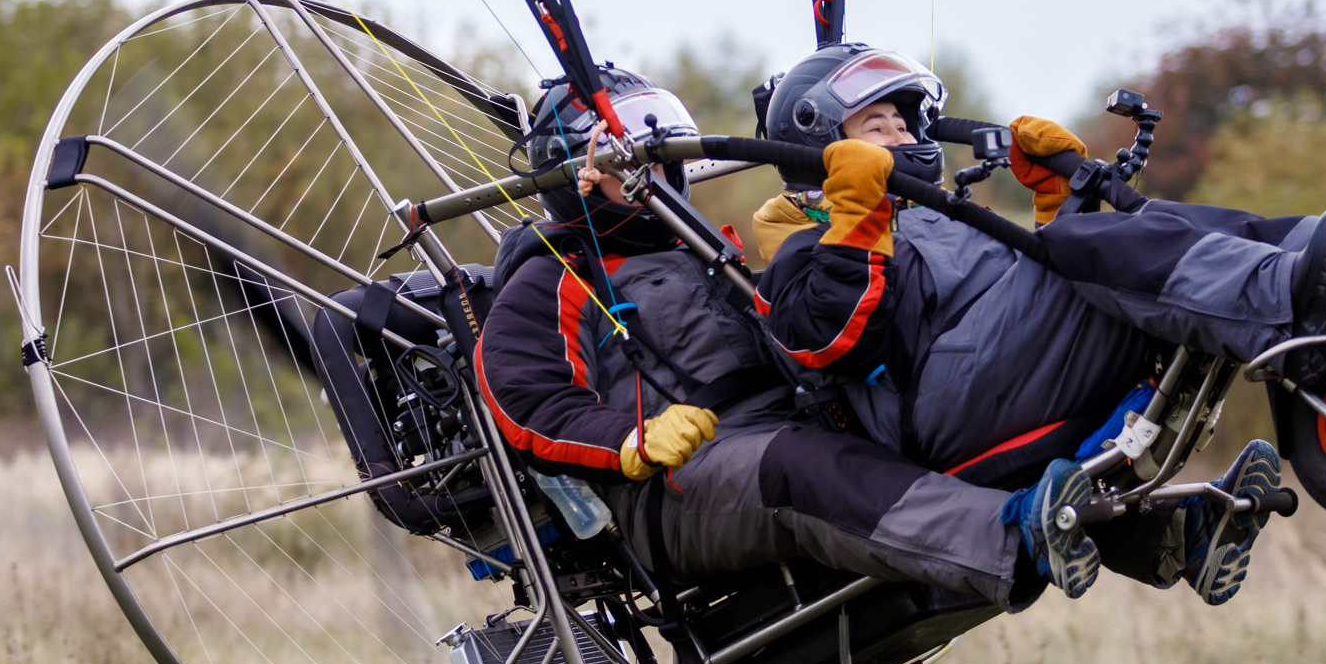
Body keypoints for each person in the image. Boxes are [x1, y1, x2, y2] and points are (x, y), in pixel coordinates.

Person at [749, 42, 1326, 600]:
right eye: (878, 123)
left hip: (999, 372)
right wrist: (854, 221)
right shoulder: (806, 249)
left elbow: (1007, 287)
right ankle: (1296, 291)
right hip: (939, 418)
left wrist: (1055, 197)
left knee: (1142, 228)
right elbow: (829, 338)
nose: (904, 134)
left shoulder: (926, 219)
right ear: (820, 147)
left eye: (907, 119)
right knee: (1079, 249)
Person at [474, 67, 1114, 605]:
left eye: (657, 146)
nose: (654, 168)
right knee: (803, 466)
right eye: (625, 155)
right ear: (572, 174)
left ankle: (1149, 528)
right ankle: (1015, 539)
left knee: (930, 409)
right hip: (674, 486)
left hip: (791, 425)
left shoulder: (702, 253)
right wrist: (630, 441)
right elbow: (528, 401)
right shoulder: (551, 276)